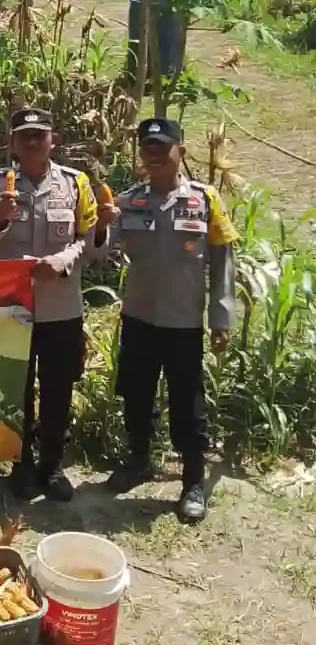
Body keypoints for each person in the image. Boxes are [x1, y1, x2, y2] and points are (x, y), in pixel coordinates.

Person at [98, 118, 238, 525]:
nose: (154, 155)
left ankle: (192, 480)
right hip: (140, 316)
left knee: (187, 405)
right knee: (136, 394)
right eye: (147, 148)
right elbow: (102, 250)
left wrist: (221, 319)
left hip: (183, 322)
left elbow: (223, 263)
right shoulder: (129, 201)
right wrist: (103, 223)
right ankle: (139, 460)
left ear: (181, 149)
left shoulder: (205, 200)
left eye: (163, 146)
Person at [0, 108, 99, 504]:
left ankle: (53, 466)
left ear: (52, 140)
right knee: (18, 390)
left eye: (39, 135)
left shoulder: (76, 183)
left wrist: (64, 260)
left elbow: (92, 237)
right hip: (14, 306)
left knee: (58, 389)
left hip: (61, 304)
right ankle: (22, 464)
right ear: (12, 143)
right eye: (23, 136)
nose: (31, 142)